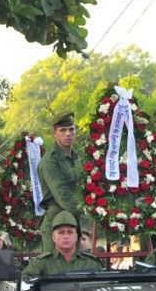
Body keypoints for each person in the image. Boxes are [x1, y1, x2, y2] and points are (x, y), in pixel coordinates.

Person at [39, 113, 81, 253]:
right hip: (56, 223)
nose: (68, 134)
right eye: (62, 130)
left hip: (74, 221)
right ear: (55, 134)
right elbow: (62, 194)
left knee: (78, 272)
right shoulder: (50, 160)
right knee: (56, 271)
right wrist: (87, 212)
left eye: (71, 129)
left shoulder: (77, 156)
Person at [24, 212, 102, 277]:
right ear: (53, 237)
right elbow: (25, 285)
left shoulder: (91, 263)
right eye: (61, 232)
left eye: (70, 232)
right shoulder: (41, 263)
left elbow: (99, 290)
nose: (66, 236)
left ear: (77, 236)